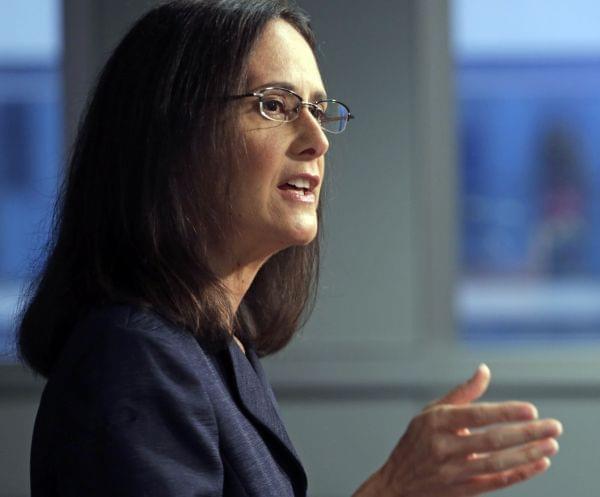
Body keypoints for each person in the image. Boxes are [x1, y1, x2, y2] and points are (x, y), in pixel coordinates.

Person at [17, 1, 563, 496]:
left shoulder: (219, 344)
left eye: (320, 111)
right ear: (173, 135)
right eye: (275, 105)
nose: (317, 139)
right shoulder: (131, 358)